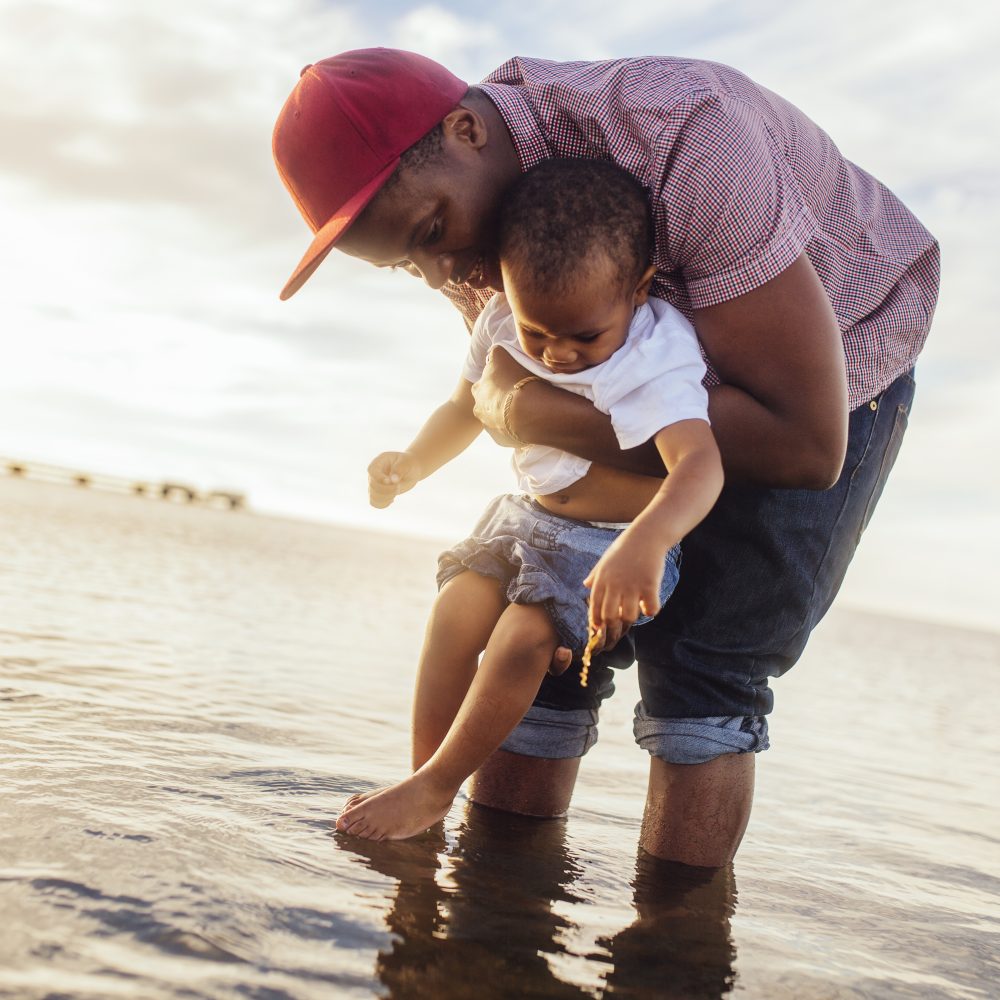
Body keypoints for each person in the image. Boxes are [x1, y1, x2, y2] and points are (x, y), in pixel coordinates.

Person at [272, 48, 939, 866]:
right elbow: (518, 402)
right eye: (411, 265)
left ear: (468, 130)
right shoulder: (471, 236)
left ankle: (670, 960)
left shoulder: (686, 135)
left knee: (704, 678)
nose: (444, 273)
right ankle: (488, 934)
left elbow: (802, 439)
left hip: (833, 364)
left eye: (432, 235)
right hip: (651, 403)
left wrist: (535, 413)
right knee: (546, 643)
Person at [337, 158, 723, 841]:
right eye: (538, 333)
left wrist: (648, 540)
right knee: (454, 616)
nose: (558, 355)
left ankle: (436, 786)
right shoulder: (501, 319)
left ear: (637, 291)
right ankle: (422, 783)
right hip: (524, 517)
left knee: (522, 638)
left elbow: (700, 466)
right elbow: (464, 408)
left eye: (583, 337)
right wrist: (413, 463)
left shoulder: (656, 351)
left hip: (613, 543)